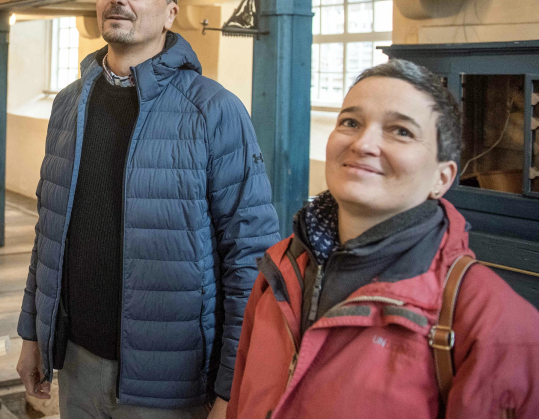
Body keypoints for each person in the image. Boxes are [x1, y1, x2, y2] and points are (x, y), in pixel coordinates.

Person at [16, 0, 279, 419]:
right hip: (78, 361)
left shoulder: (213, 110)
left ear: (171, 12)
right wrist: (34, 334)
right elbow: (49, 232)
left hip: (172, 379)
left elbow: (250, 259)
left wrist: (231, 385)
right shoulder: (69, 105)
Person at [226, 60, 539, 419]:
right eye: (351, 122)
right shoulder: (281, 267)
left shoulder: (497, 324)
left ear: (443, 177)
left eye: (401, 131)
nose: (363, 143)